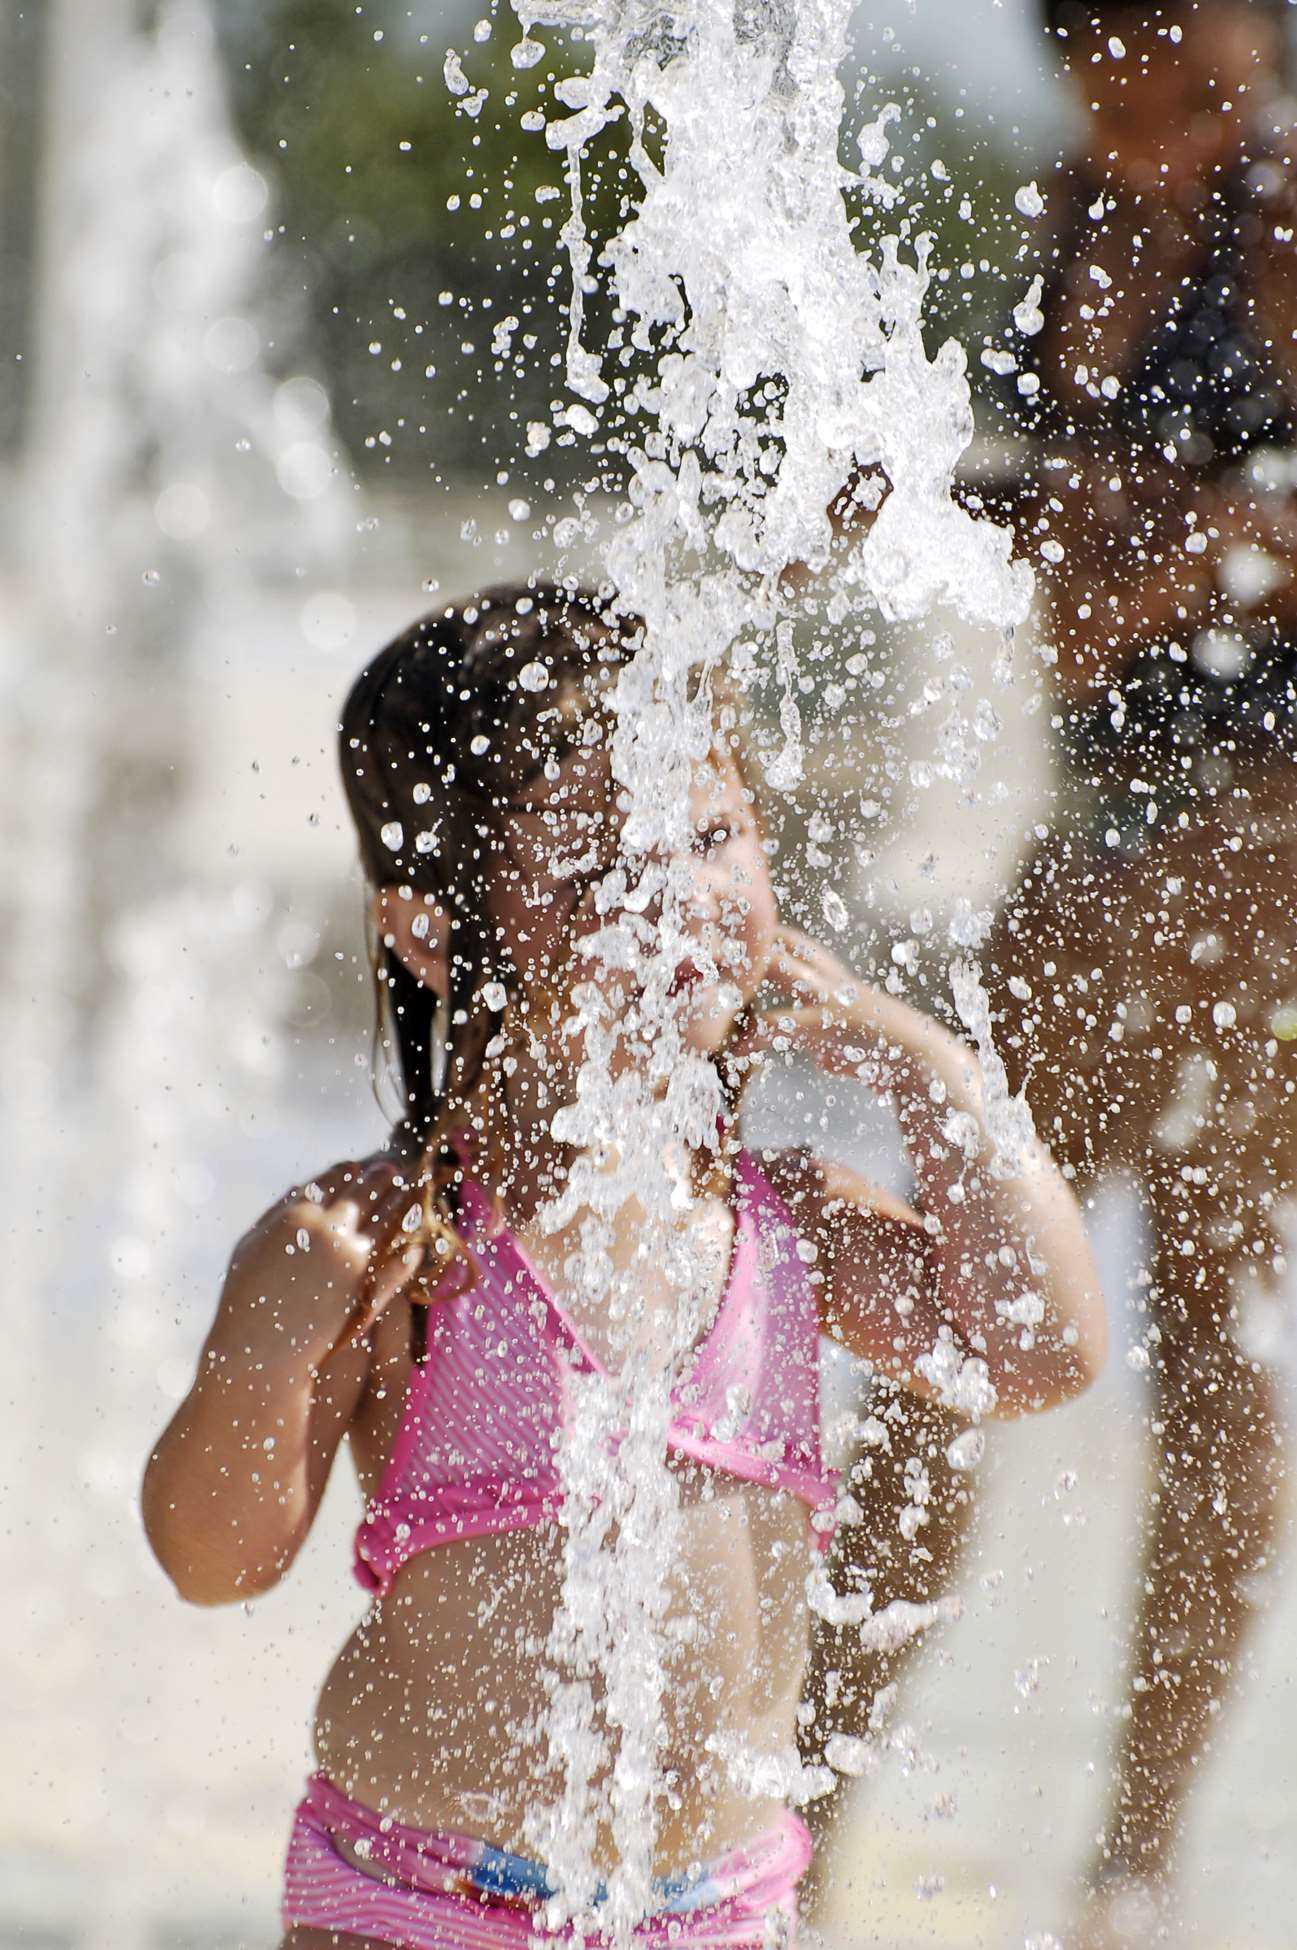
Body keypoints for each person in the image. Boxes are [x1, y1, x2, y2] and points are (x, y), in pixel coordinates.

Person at [141, 583, 1105, 1949]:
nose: (671, 894)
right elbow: (216, 1562)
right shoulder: (389, 1251)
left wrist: (926, 1065)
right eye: (590, 860)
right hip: (420, 1904)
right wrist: (272, 1338)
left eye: (708, 835)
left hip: (715, 1912)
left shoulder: (791, 1231)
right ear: (429, 930)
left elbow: (1037, 1350)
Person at [807, 3, 1297, 1941]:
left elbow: (1208, 525)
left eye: (1187, 75)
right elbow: (1064, 503)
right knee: (965, 1306)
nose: (1153, 103)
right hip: (1105, 830)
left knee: (1189, 1321)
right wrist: (922, 508)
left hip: (1266, 847)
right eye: (1113, 72)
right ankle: (812, 1823)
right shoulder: (1081, 207)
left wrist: (1189, 552)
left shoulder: (1285, 211)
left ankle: (1127, 1867)